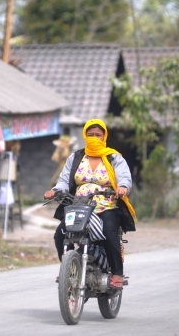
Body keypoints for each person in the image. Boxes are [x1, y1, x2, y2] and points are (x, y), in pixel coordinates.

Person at [44, 119, 137, 290]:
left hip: (107, 206)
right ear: (85, 136)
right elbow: (64, 180)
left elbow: (124, 177)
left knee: (108, 231)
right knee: (60, 234)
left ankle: (117, 272)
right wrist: (55, 190)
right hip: (80, 207)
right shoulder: (76, 157)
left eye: (98, 135)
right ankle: (70, 268)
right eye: (90, 134)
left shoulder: (113, 157)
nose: (94, 137)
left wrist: (123, 187)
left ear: (104, 136)